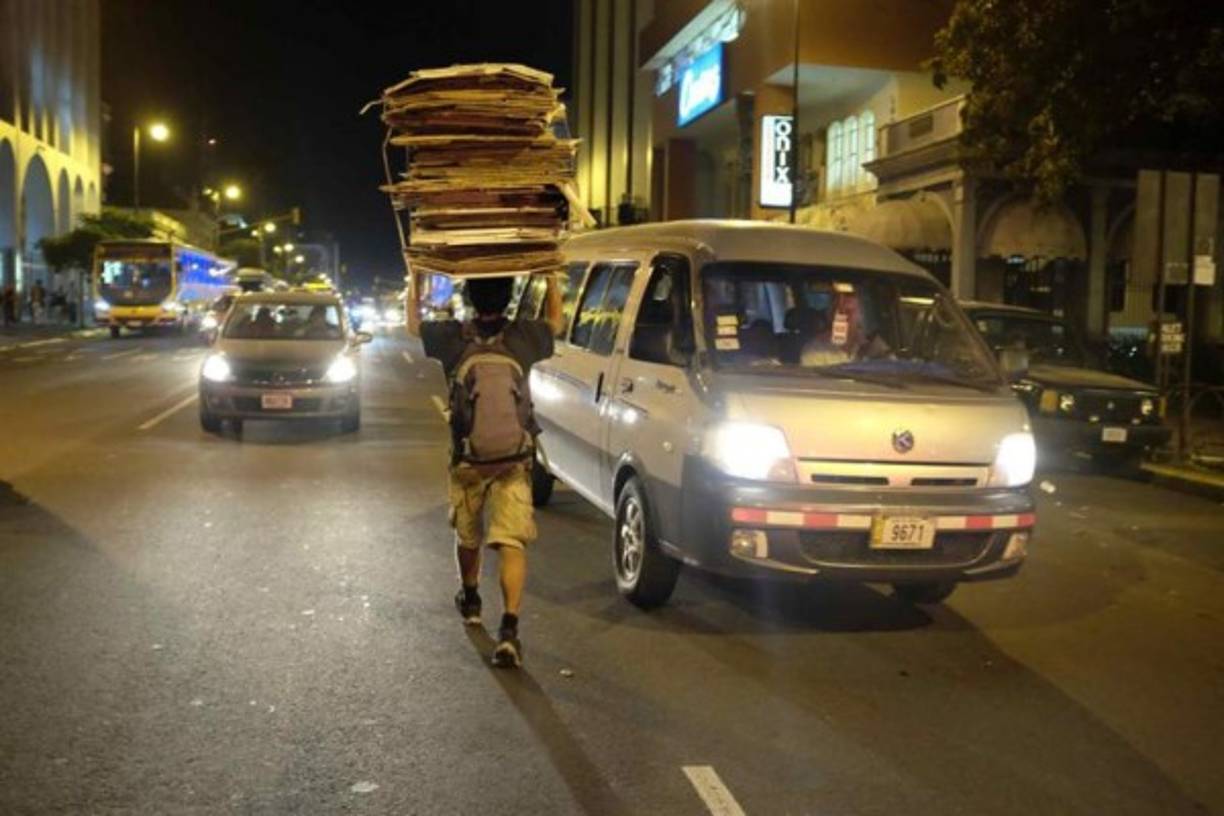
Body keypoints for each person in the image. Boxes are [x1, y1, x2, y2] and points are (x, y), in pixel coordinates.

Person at [411, 274, 563, 668]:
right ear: (510, 297)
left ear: (469, 297)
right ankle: (510, 629)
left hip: (467, 460)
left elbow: (413, 325)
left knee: (468, 534)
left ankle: (472, 596)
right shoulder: (523, 338)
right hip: (513, 460)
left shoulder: (452, 338)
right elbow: (557, 324)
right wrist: (550, 276)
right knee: (512, 541)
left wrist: (416, 279)